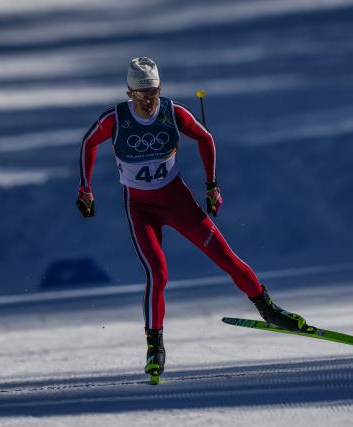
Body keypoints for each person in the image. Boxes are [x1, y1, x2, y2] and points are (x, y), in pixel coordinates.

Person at [76, 57, 309, 379]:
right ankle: (154, 347)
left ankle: (268, 310)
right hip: (141, 209)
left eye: (153, 92)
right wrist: (85, 189)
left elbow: (206, 138)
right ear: (129, 92)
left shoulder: (175, 113)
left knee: (225, 257)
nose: (148, 100)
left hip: (177, 201)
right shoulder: (115, 119)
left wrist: (212, 187)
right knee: (158, 274)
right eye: (141, 94)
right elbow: (89, 143)